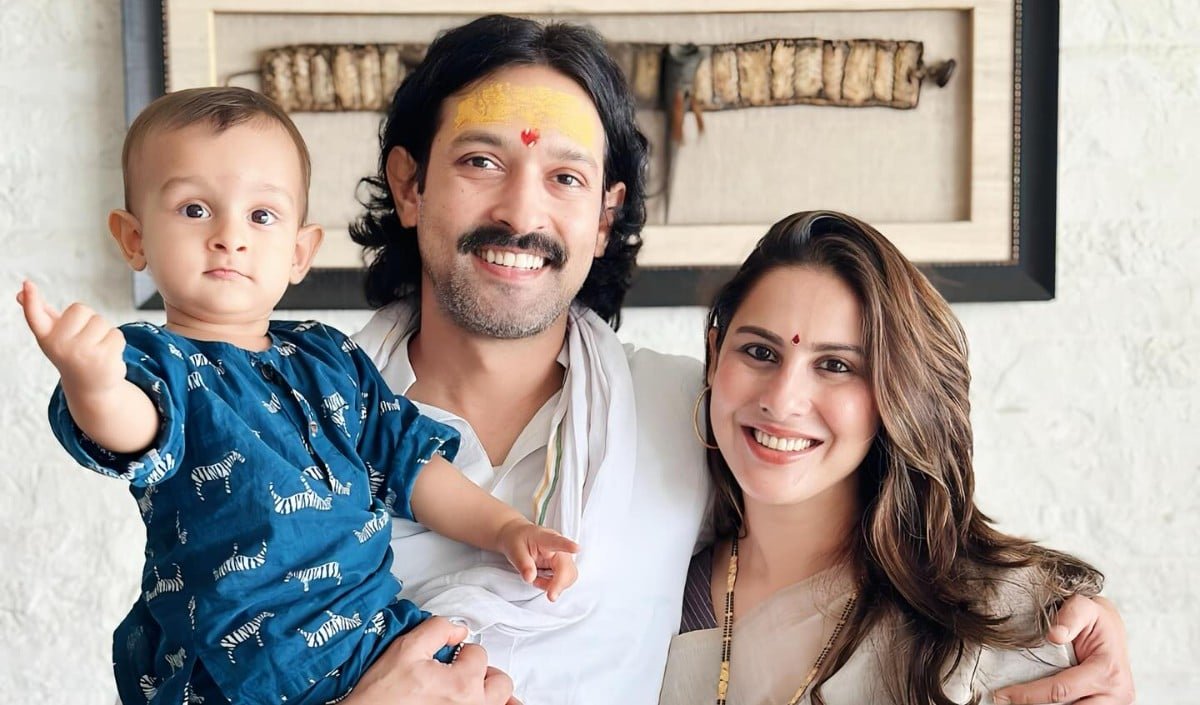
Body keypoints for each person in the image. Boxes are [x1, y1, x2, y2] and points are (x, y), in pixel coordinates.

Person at [339, 14, 1134, 705]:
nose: (521, 211)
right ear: (409, 185)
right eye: (481, 162)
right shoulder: (287, 421)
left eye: (565, 177)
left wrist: (1060, 624)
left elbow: (880, 530)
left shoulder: (687, 412)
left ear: (606, 216)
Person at [17, 86, 576, 705]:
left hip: (370, 636)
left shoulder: (327, 355)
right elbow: (134, 430)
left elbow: (410, 466)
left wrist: (506, 528)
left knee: (486, 688)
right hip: (236, 665)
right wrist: (93, 382)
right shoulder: (153, 361)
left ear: (300, 252)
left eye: (261, 216)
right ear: (134, 238)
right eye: (195, 209)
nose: (230, 236)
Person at [659, 210, 1111, 704]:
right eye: (760, 353)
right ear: (714, 354)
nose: (782, 400)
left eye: (835, 365)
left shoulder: (999, 623)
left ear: (894, 394)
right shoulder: (649, 588)